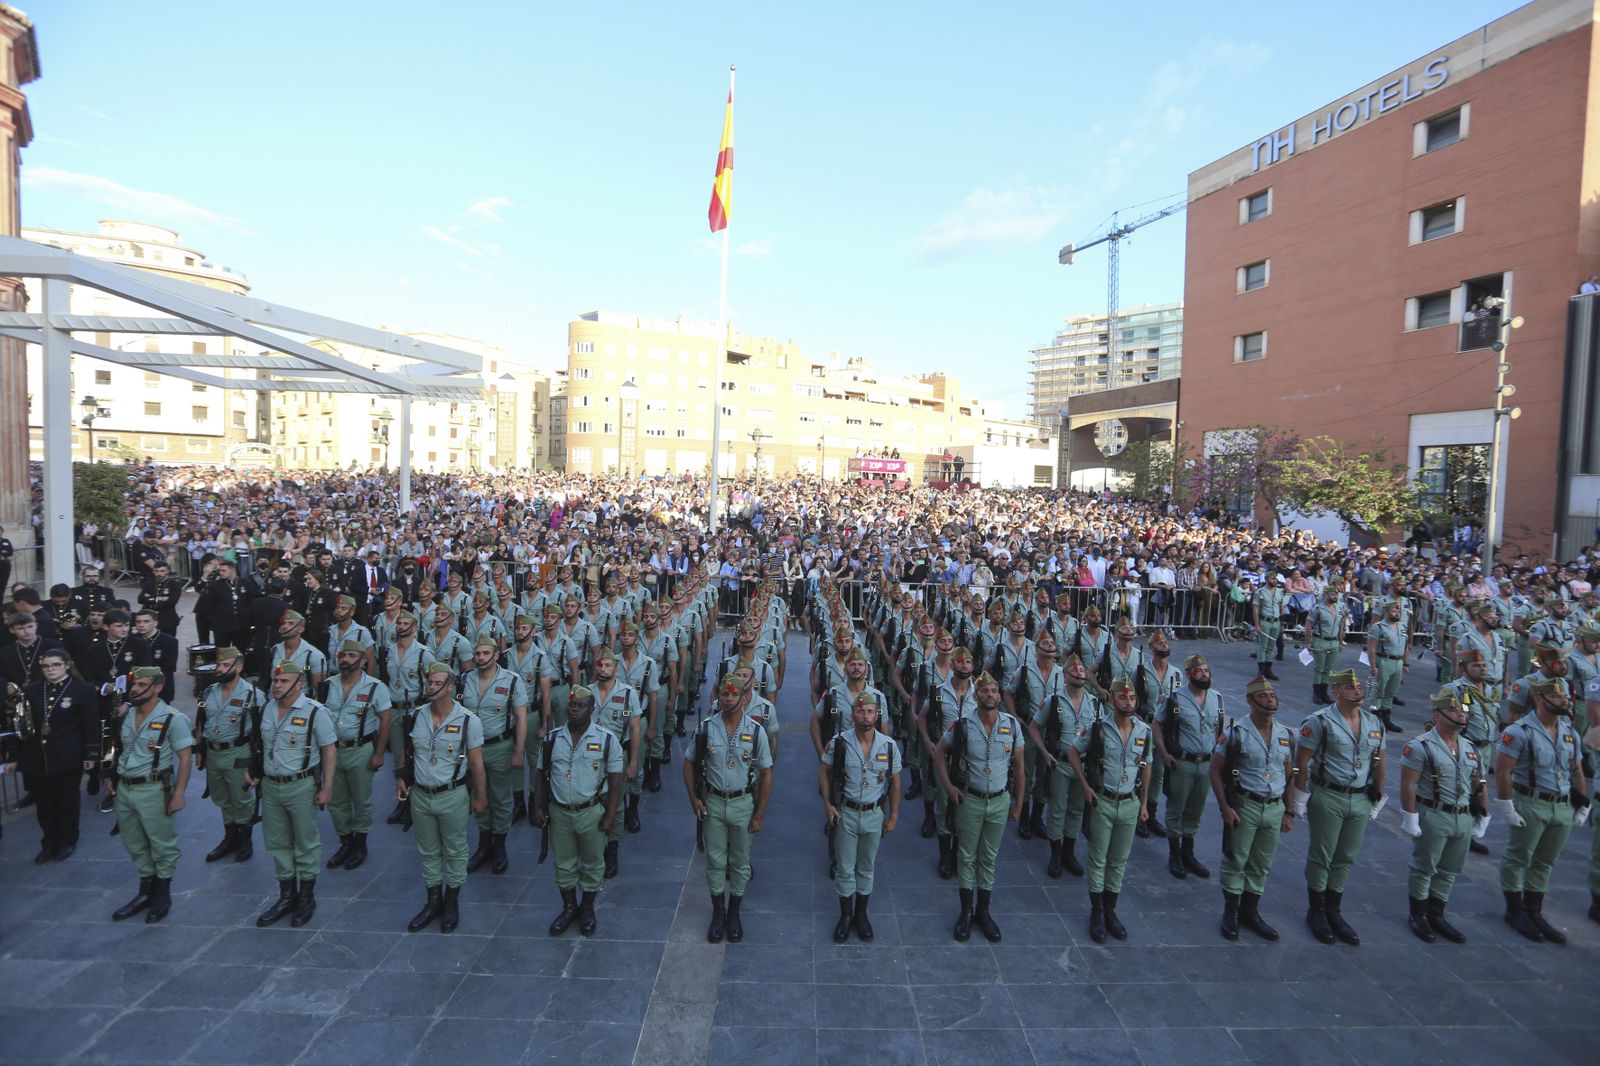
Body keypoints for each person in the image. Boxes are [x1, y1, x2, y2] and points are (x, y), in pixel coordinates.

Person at [1292, 667, 1387, 946]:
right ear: (1336, 692)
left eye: (1359, 687)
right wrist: (1299, 798)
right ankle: (1317, 910)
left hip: (1359, 796)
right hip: (1328, 793)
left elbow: (1380, 761)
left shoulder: (1373, 722)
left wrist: (1378, 797)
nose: (1358, 691)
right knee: (1322, 854)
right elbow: (1303, 760)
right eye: (1351, 688)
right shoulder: (1320, 721)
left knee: (1346, 856)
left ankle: (1334, 909)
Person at [1492, 677, 1588, 943]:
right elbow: (1503, 770)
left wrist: (1582, 803)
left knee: (1545, 862)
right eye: (1557, 697)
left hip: (1562, 805)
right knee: (1517, 858)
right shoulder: (1520, 731)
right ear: (1538, 699)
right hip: (1531, 803)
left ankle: (1534, 911)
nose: (1565, 701)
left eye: (1565, 696)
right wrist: (1507, 806)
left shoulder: (1569, 731)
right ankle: (1514, 911)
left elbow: (1577, 768)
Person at [932, 670, 1025, 943]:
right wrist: (949, 787)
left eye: (995, 691)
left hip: (999, 800)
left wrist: (1019, 803)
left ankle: (983, 911)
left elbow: (1020, 768)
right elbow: (939, 753)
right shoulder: (962, 725)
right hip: (970, 800)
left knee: (989, 857)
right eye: (985, 691)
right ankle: (966, 911)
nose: (990, 695)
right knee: (967, 857)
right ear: (976, 696)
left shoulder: (1012, 725)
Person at [397, 662, 488, 933]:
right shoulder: (415, 716)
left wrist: (480, 796)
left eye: (438, 684)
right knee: (427, 851)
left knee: (455, 849)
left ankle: (451, 901)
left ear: (450, 687)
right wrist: (402, 778)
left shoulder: (469, 721)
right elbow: (408, 752)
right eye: (430, 683)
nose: (432, 688)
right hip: (421, 795)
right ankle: (432, 901)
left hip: (452, 794)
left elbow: (477, 764)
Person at [685, 673, 774, 944]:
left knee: (740, 861)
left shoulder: (756, 731)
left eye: (735, 694)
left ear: (745, 698)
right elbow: (688, 763)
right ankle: (718, 913)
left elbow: (766, 773)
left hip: (742, 803)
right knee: (715, 861)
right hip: (713, 801)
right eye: (725, 694)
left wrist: (760, 812)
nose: (729, 699)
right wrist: (694, 799)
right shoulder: (706, 728)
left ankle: (734, 913)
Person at [248, 662, 337, 928]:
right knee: (278, 842)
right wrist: (252, 771)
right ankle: (287, 895)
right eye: (275, 681)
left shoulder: (314, 712)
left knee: (305, 841)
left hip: (300, 785)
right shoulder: (265, 709)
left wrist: (327, 786)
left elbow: (329, 749)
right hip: (271, 786)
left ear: (298, 685)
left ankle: (307, 896)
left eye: (283, 682)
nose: (277, 686)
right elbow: (259, 745)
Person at [1398, 689, 1487, 944]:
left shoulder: (1470, 748)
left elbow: (1479, 782)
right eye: (1454, 710)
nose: (1461, 715)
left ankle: (1437, 914)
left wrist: (1483, 814)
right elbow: (1408, 784)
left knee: (1449, 870)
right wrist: (1410, 816)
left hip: (1462, 815)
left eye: (1463, 711)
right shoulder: (1420, 746)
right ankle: (1418, 915)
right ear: (1436, 716)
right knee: (1424, 867)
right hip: (1434, 813)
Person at [534, 683, 622, 936]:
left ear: (591, 708)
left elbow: (616, 780)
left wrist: (611, 815)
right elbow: (540, 775)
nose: (575, 710)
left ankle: (587, 908)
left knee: (593, 863)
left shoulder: (606, 739)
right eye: (572, 705)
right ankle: (569, 907)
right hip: (560, 812)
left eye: (581, 706)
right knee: (563, 864)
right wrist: (538, 807)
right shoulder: (552, 739)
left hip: (591, 812)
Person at [108, 665, 194, 923]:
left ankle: (162, 893)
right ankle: (146, 890)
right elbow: (120, 750)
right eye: (134, 684)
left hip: (154, 789)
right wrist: (111, 779)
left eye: (142, 684)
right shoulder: (127, 714)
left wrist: (179, 794)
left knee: (161, 843)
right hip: (125, 788)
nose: (134, 689)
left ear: (157, 687)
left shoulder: (172, 718)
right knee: (133, 841)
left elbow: (185, 758)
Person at [1212, 675, 1295, 941]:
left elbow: (1289, 773)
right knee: (1237, 859)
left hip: (1273, 807)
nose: (1270, 700)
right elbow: (1215, 770)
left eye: (1272, 696)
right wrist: (1225, 807)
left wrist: (1289, 811)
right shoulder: (1236, 732)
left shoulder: (1284, 734)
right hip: (1245, 804)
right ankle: (1231, 912)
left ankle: (1251, 912)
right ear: (1250, 701)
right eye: (1263, 696)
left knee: (1262, 863)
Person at [1072, 676, 1152, 943]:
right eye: (1122, 697)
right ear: (1112, 699)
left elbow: (1146, 765)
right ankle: (1096, 912)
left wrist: (1144, 802)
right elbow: (1073, 752)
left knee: (1118, 860)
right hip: (1103, 801)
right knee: (1098, 859)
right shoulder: (1098, 729)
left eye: (1131, 698)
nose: (1128, 702)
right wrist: (1084, 785)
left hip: (1129, 802)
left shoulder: (1144, 731)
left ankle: (1110, 911)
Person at [819, 691, 901, 942]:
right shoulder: (839, 743)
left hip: (874, 813)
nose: (866, 716)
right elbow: (824, 772)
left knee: (866, 866)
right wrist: (827, 804)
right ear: (852, 714)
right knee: (845, 868)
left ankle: (861, 914)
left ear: (877, 714)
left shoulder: (888, 745)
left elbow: (895, 782)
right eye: (860, 711)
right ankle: (845, 916)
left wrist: (894, 814)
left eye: (870, 711)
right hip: (847, 813)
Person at [16, 649, 99, 862]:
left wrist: (91, 753)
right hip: (38, 756)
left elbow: (91, 724)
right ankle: (49, 842)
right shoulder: (32, 690)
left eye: (55, 665)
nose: (50, 669)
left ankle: (67, 841)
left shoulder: (83, 689)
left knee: (66, 802)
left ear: (66, 665)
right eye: (45, 666)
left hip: (68, 755)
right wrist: (15, 757)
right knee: (44, 804)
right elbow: (23, 726)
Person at [321, 639, 393, 871]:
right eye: (343, 656)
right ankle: (345, 841)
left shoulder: (375, 687)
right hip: (332, 751)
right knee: (336, 800)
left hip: (360, 750)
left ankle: (360, 842)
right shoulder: (327, 685)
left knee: (361, 799)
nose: (346, 660)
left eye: (352, 656)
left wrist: (379, 753)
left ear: (363, 661)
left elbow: (385, 721)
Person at [1027, 651, 1099, 879]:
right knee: (1057, 810)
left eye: (1081, 670)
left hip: (1085, 767)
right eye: (1074, 671)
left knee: (1077, 810)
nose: (1079, 673)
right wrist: (1045, 752)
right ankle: (1056, 854)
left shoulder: (1095, 703)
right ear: (1065, 676)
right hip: (1061, 763)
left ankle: (1069, 852)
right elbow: (1034, 727)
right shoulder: (1053, 701)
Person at [461, 635, 528, 876]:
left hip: (500, 747)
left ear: (496, 655)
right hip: (472, 749)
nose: (480, 658)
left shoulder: (511, 681)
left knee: (500, 798)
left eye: (485, 654)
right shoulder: (465, 680)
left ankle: (499, 847)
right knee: (478, 795)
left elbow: (521, 718)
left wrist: (519, 751)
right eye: (477, 654)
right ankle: (483, 844)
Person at [1153, 654, 1221, 880]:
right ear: (1190, 674)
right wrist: (1164, 754)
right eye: (1199, 671)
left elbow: (1219, 732)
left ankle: (1188, 852)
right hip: (1182, 763)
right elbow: (1157, 724)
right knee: (1176, 809)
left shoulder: (1217, 699)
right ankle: (1174, 854)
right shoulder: (1175, 699)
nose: (1205, 674)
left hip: (1206, 764)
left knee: (1195, 809)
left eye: (1207, 670)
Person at [196, 646, 263, 863]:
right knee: (222, 797)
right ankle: (229, 838)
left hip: (239, 751)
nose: (220, 668)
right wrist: (200, 749)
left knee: (241, 798)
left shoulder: (253, 694)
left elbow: (262, 730)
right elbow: (201, 722)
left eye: (226, 665)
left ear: (240, 667)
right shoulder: (208, 691)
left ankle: (245, 839)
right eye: (219, 665)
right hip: (214, 753)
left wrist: (255, 765)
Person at [1365, 599, 1409, 733]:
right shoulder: (1378, 627)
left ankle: (1386, 719)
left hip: (1398, 662)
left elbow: (1405, 646)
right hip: (1384, 661)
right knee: (1379, 691)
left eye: (1398, 611)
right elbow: (1371, 648)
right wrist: (1373, 666)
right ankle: (1372, 719)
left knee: (1391, 692)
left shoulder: (1401, 627)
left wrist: (1406, 663)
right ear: (1386, 612)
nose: (1397, 613)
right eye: (1394, 611)